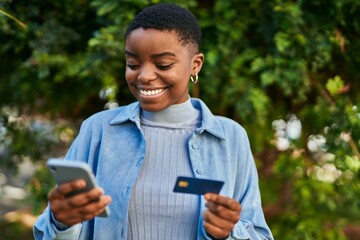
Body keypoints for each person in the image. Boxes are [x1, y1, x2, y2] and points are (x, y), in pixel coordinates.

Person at [33, 3, 273, 240]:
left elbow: (259, 234)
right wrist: (61, 222)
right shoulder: (98, 131)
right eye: (133, 64)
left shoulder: (231, 138)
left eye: (163, 65)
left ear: (195, 64)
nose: (144, 76)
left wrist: (227, 233)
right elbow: (50, 231)